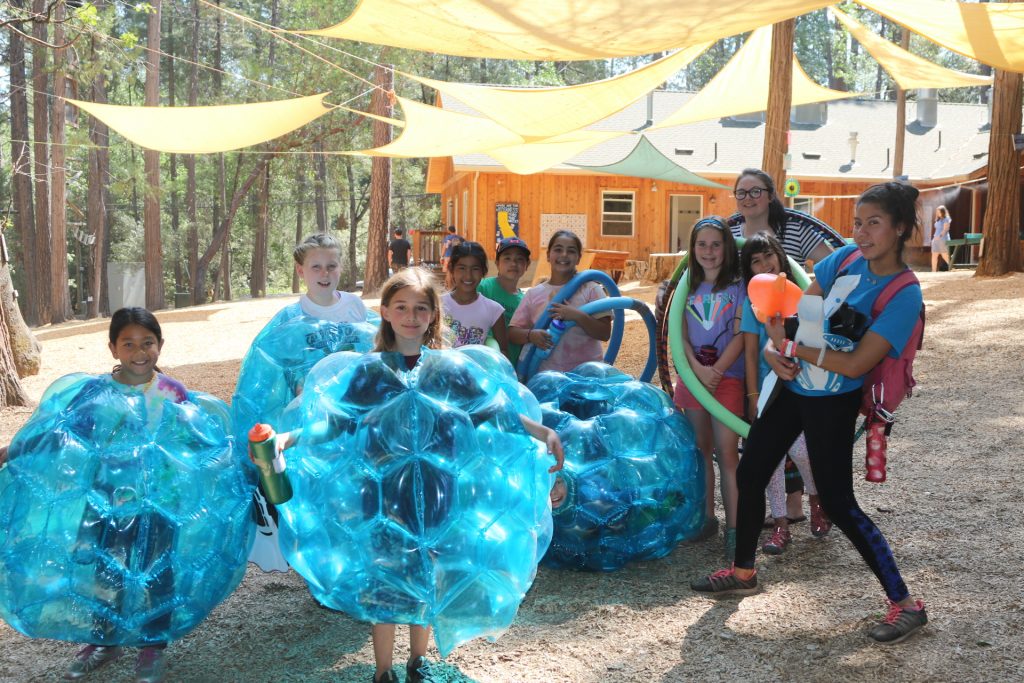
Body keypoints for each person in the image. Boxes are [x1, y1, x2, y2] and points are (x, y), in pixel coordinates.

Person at [692, 182, 928, 646]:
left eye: (873, 223)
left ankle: (906, 605)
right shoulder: (840, 260)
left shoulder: (903, 294)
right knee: (754, 470)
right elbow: (802, 315)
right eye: (857, 222)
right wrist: (782, 350)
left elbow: (857, 363)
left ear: (900, 228)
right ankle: (744, 572)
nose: (860, 233)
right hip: (795, 385)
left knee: (839, 503)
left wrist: (795, 347)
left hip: (835, 400)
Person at [348, 267, 563, 683]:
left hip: (436, 489)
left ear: (433, 315)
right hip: (382, 492)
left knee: (429, 570)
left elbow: (493, 411)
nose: (411, 316)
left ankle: (417, 660)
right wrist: (286, 439)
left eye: (421, 308)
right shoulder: (370, 371)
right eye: (402, 307)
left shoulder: (446, 369)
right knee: (386, 575)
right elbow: (337, 421)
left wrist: (542, 430)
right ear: (385, 312)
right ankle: (382, 671)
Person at [63, 308, 188, 682]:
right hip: (108, 500)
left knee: (157, 572)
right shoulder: (96, 393)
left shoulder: (172, 392)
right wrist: (14, 451)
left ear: (160, 346)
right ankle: (104, 638)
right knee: (107, 569)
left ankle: (152, 644)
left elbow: (196, 441)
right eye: (128, 343)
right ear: (113, 348)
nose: (139, 351)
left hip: (160, 500)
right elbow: (63, 432)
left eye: (147, 343)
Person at [234, 233, 368, 573]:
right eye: (316, 267)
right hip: (307, 412)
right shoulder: (290, 317)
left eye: (332, 265)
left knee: (350, 483)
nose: (325, 273)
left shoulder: (354, 307)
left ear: (341, 268)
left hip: (351, 412)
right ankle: (317, 553)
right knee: (316, 483)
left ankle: (350, 549)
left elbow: (373, 350)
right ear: (301, 271)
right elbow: (267, 367)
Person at [739, 232, 831, 555]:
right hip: (768, 393)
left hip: (799, 388)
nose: (764, 264)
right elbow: (752, 352)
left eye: (768, 257)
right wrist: (751, 396)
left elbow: (813, 340)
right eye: (755, 261)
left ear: (780, 257)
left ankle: (818, 500)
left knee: (803, 450)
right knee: (771, 461)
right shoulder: (753, 305)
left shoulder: (802, 296)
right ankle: (780, 525)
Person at [674, 217, 745, 560]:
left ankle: (736, 529)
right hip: (693, 378)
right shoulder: (687, 287)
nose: (709, 251)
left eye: (716, 244)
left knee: (727, 456)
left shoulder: (738, 286)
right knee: (700, 452)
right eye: (702, 244)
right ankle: (706, 520)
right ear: (693, 249)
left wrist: (716, 370)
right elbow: (679, 335)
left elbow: (743, 334)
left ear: (727, 247)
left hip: (726, 379)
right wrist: (697, 370)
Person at [509, 230, 611, 374]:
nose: (564, 255)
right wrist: (531, 335)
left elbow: (605, 333)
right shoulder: (534, 294)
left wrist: (577, 315)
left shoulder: (591, 289)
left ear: (579, 258)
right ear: (548, 255)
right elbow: (513, 332)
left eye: (571, 251)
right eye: (558, 249)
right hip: (548, 376)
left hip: (587, 376)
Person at [729, 168, 841, 267]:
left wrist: (812, 290)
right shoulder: (728, 236)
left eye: (755, 191)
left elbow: (836, 265)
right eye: (741, 192)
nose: (747, 197)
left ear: (771, 196)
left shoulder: (796, 230)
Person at [441, 241, 509, 355]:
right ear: (452, 269)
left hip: (475, 372)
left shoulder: (494, 310)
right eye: (462, 268)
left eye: (475, 269)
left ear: (483, 271)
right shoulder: (438, 304)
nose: (468, 275)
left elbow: (503, 352)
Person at [478, 236, 531, 367]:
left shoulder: (526, 301)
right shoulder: (483, 287)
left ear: (527, 265)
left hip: (509, 366)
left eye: (519, 259)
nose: (513, 264)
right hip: (481, 363)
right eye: (507, 258)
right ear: (497, 262)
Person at [931, 205, 952, 272]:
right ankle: (933, 271)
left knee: (944, 255)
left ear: (943, 212)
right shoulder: (938, 219)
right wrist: (935, 238)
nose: (937, 213)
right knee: (934, 255)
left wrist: (939, 236)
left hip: (943, 239)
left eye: (938, 212)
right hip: (936, 239)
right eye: (937, 212)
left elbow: (945, 229)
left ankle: (953, 268)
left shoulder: (946, 219)